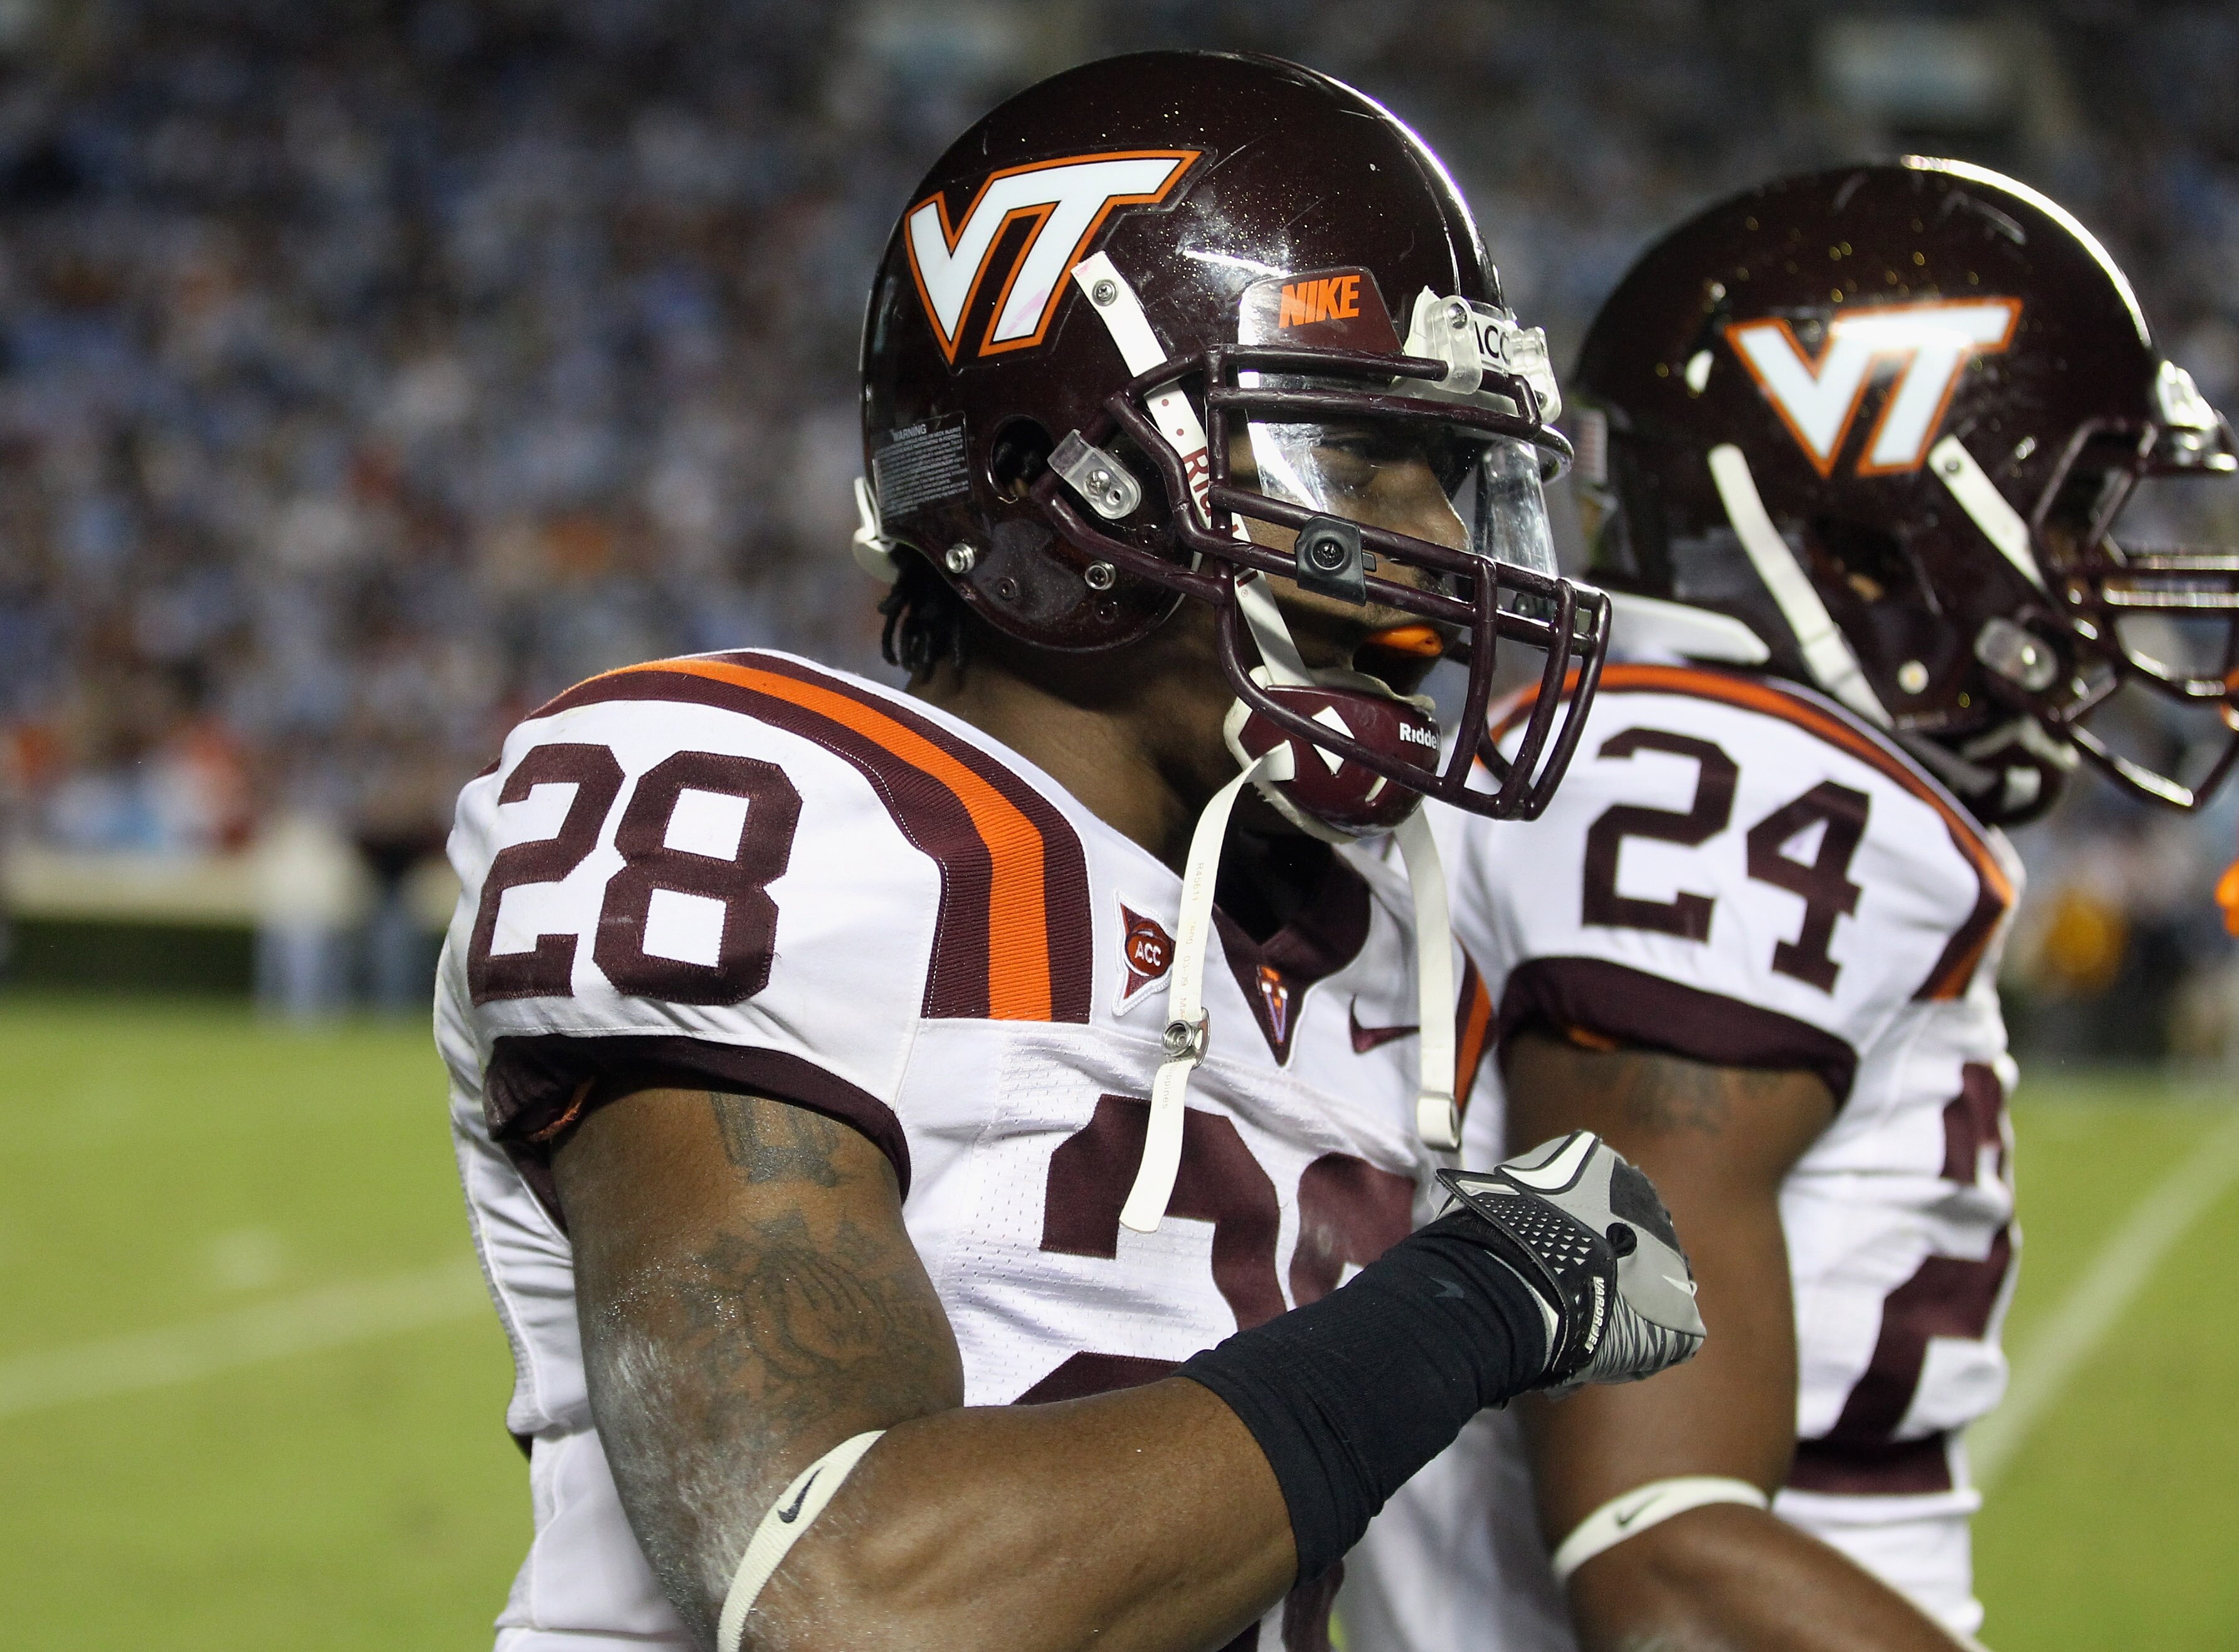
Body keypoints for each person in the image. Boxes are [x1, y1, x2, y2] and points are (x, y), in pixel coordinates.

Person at [437, 51, 1706, 1652]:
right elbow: (856, 1598)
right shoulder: (772, 811)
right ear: (1054, 484)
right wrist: (1475, 1301)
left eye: (1450, 477)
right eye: (1354, 460)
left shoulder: (1377, 936)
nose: (1440, 555)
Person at [1342, 158, 2239, 1650]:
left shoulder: (1670, 762)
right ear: (1858, 535)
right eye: (2069, 514)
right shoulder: (1735, 785)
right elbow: (1659, 1549)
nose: (2094, 577)